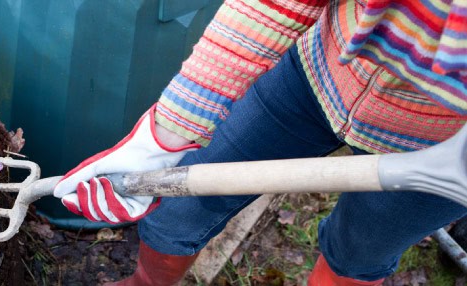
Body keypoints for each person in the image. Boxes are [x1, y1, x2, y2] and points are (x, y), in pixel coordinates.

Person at [52, 0, 467, 285]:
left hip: (443, 149)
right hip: (311, 77)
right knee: (177, 209)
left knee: (358, 254)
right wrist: (165, 134)